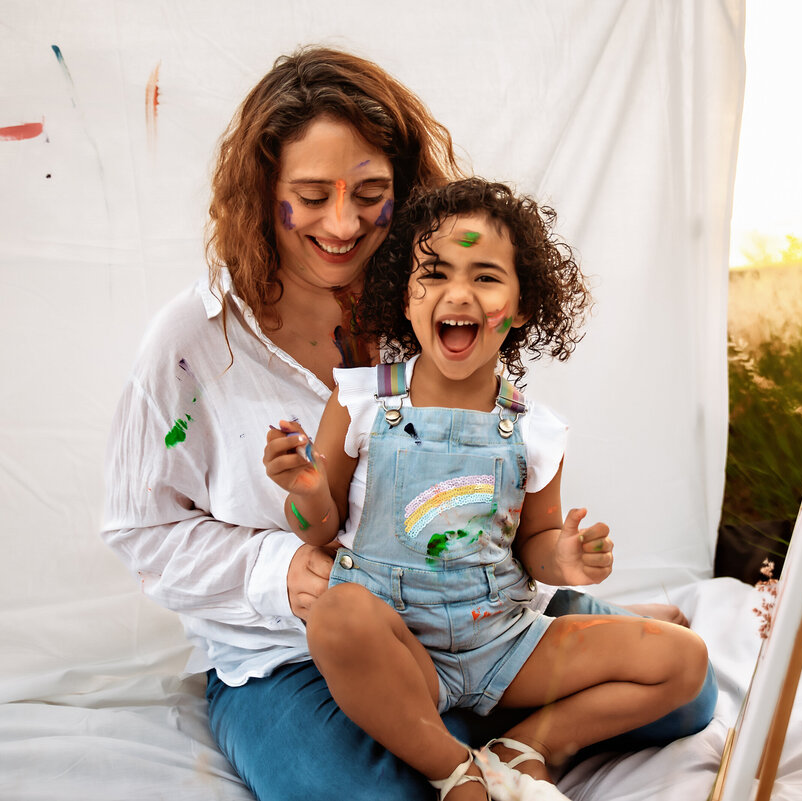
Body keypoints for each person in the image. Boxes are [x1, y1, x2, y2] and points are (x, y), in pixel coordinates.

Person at [100, 46, 716, 801]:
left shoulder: (424, 299)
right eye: (312, 193)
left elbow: (510, 493)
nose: (342, 222)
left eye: (369, 191)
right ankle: (448, 750)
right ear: (264, 192)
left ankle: (523, 743)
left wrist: (559, 561)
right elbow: (139, 528)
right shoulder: (194, 343)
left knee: (694, 690)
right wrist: (278, 572)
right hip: (298, 652)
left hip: (480, 623)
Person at [264, 178, 710, 800]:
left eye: (486, 276)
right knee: (336, 617)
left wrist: (568, 559)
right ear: (407, 295)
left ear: (522, 306)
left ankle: (528, 747)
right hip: (400, 649)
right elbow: (316, 531)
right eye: (436, 273)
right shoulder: (361, 399)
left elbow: (536, 544)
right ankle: (454, 771)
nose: (459, 293)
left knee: (683, 661)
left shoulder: (534, 430)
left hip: (504, 644)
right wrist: (308, 489)